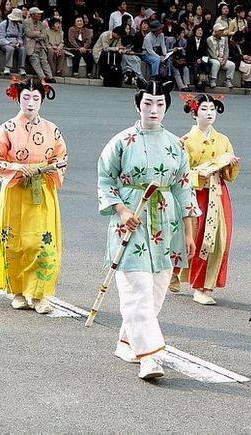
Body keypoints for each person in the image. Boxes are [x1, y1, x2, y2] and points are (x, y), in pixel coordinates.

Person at [97, 79, 200, 380]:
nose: (153, 110)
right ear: (137, 105)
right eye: (147, 104)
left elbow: (184, 189)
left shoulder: (176, 145)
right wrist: (122, 210)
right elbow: (106, 181)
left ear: (167, 107)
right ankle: (150, 356)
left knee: (156, 289)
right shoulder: (121, 141)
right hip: (131, 219)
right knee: (136, 289)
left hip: (166, 221)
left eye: (159, 104)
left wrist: (190, 232)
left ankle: (127, 341)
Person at [0, 78, 67, 314]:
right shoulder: (7, 129)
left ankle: (39, 294)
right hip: (16, 190)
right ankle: (17, 291)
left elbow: (61, 157)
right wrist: (17, 168)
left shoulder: (51, 129)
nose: (30, 103)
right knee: (16, 242)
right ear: (17, 98)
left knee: (42, 241)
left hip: (42, 188)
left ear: (42, 100)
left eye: (35, 98)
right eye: (26, 97)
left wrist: (47, 168)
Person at [170, 94, 239, 304]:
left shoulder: (223, 140)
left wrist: (231, 165)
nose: (210, 113)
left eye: (212, 109)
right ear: (194, 113)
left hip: (217, 192)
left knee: (218, 239)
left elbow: (229, 175)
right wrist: (198, 175)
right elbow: (178, 172)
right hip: (194, 192)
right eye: (204, 109)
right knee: (194, 237)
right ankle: (176, 271)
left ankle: (202, 286)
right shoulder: (186, 141)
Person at [0, 8, 26, 76]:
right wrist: (9, 43)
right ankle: (7, 67)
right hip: (5, 42)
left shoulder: (19, 26)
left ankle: (21, 68)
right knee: (10, 49)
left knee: (23, 49)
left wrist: (20, 42)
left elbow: (19, 36)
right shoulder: (3, 24)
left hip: (16, 42)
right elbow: (0, 37)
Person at [207, 22, 235, 88]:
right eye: (220, 30)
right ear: (216, 31)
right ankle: (213, 80)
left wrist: (225, 60)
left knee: (232, 65)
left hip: (222, 59)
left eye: (222, 30)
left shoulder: (224, 39)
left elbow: (226, 51)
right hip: (213, 58)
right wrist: (218, 59)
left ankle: (228, 80)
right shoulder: (209, 39)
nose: (222, 32)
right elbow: (211, 53)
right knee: (216, 63)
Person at [185, 25, 210, 90]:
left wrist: (201, 59)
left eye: (201, 30)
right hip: (192, 59)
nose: (200, 32)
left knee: (206, 64)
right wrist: (196, 59)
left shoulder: (204, 40)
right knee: (196, 65)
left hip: (202, 58)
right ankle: (196, 82)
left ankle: (203, 82)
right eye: (198, 30)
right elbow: (189, 52)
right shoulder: (190, 40)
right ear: (195, 31)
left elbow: (205, 52)